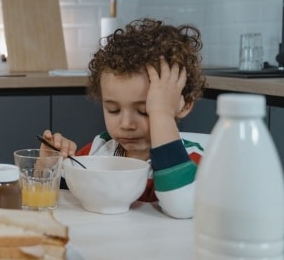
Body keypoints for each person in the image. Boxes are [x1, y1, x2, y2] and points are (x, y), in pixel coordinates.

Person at [42, 18, 206, 219]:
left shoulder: (194, 160)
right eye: (113, 110)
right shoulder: (100, 150)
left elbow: (181, 206)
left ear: (185, 104)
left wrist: (162, 114)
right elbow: (63, 194)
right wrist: (48, 165)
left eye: (146, 111)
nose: (126, 124)